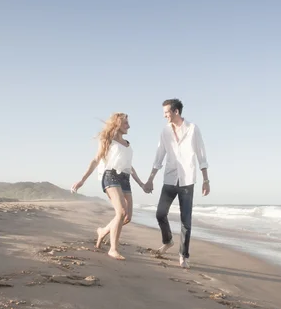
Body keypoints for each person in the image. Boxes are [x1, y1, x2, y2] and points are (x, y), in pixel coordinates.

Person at [144, 99, 210, 268]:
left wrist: (205, 180)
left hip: (187, 180)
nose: (164, 115)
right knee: (160, 213)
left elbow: (201, 154)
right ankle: (168, 240)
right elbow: (159, 156)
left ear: (176, 112)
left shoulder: (193, 129)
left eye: (166, 112)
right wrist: (151, 178)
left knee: (185, 221)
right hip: (170, 179)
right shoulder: (165, 131)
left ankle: (184, 255)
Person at [71, 112, 145, 260]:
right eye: (126, 123)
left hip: (125, 178)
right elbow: (96, 160)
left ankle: (103, 231)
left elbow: (130, 167)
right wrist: (82, 180)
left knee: (127, 217)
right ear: (117, 124)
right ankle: (113, 249)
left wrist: (141, 183)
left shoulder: (127, 144)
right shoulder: (108, 140)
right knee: (121, 211)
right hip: (110, 176)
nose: (128, 126)